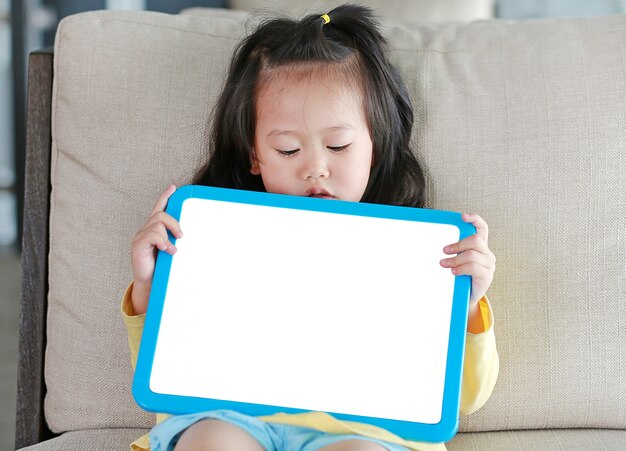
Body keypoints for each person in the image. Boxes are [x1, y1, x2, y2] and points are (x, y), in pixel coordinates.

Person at [123, 4, 498, 450]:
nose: (315, 169)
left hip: (364, 433)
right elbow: (166, 369)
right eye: (287, 150)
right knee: (213, 440)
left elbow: (463, 399)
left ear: (375, 146)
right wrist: (150, 284)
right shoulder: (212, 236)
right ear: (253, 155)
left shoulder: (420, 254)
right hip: (227, 416)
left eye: (338, 145)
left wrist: (467, 304)